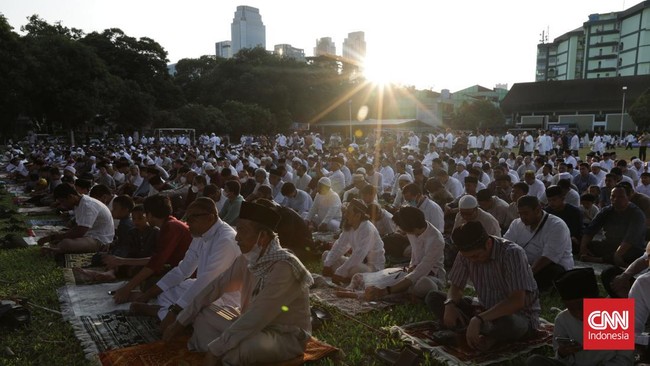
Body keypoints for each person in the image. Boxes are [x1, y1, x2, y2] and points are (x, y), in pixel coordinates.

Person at [162, 201, 313, 365]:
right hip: (250, 324)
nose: (236, 236)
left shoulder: (285, 267)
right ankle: (224, 354)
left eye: (242, 230)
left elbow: (258, 315)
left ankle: (221, 354)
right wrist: (180, 321)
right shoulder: (247, 259)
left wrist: (215, 349)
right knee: (204, 315)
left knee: (243, 349)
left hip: (283, 335)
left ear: (262, 237)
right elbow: (215, 287)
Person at [426, 221, 540, 351]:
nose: (473, 260)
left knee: (510, 324)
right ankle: (477, 333)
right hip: (483, 309)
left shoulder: (512, 253)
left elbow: (516, 301)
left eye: (476, 256)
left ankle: (471, 333)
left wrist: (478, 319)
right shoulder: (465, 255)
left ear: (488, 243)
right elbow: (456, 287)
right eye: (468, 257)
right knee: (433, 297)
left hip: (516, 315)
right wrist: (450, 304)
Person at [132, 197, 240, 324]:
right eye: (187, 219)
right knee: (167, 292)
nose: (187, 223)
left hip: (224, 296)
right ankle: (165, 312)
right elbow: (184, 269)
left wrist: (176, 312)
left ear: (210, 218)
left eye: (192, 219)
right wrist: (147, 295)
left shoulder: (226, 240)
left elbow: (207, 283)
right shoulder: (201, 232)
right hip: (204, 286)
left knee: (207, 315)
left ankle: (162, 313)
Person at [526, 268, 633, 366]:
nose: (578, 313)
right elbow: (559, 358)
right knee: (535, 361)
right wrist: (563, 352)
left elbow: (624, 359)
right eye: (572, 309)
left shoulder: (614, 315)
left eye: (582, 307)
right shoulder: (563, 319)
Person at [110, 195, 193, 304]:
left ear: (149, 214)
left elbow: (156, 263)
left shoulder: (171, 227)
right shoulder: (169, 224)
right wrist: (122, 261)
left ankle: (145, 296)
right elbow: (156, 259)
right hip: (178, 269)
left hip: (189, 275)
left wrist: (127, 288)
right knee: (140, 275)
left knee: (151, 283)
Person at [365, 206, 446, 300]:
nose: (403, 232)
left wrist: (386, 291)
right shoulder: (413, 231)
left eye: (404, 229)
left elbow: (421, 271)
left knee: (424, 284)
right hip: (413, 271)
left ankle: (402, 292)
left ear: (414, 228)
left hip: (432, 276)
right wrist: (411, 267)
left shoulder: (436, 240)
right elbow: (415, 256)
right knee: (390, 276)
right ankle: (407, 292)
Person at [504, 195, 574, 291]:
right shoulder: (517, 223)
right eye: (520, 214)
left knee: (550, 273)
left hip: (550, 266)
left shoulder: (557, 225)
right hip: (525, 265)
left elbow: (548, 258)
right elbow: (505, 246)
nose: (522, 217)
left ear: (537, 210)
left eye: (526, 213)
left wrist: (526, 275)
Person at [38, 183, 115, 255]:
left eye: (63, 201)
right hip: (89, 235)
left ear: (71, 197)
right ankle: (58, 249)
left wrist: (53, 237)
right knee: (63, 240)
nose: (63, 205)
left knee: (66, 244)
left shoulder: (88, 205)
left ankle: (58, 250)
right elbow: (77, 227)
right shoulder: (79, 204)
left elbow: (79, 232)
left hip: (100, 240)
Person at [580, 184, 646, 267]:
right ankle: (609, 258)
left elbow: (630, 239)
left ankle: (599, 259)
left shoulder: (637, 214)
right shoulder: (606, 211)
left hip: (629, 247)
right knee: (588, 245)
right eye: (613, 196)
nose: (616, 199)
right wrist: (583, 247)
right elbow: (590, 230)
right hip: (609, 244)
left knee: (635, 254)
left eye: (620, 197)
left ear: (628, 197)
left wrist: (618, 254)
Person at [322, 199, 385, 284]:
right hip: (358, 262)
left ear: (358, 215)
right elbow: (340, 246)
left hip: (372, 267)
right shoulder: (350, 225)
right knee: (326, 255)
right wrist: (327, 265)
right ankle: (345, 278)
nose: (345, 215)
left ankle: (344, 277)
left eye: (348, 213)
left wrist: (340, 271)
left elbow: (359, 255)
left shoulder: (367, 229)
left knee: (355, 270)